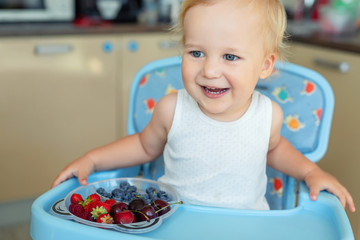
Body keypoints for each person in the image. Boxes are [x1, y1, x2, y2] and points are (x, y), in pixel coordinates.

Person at [52, 0, 355, 212]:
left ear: (265, 65)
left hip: (246, 228)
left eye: (230, 57)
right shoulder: (172, 109)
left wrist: (311, 173)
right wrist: (91, 160)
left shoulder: (268, 115)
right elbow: (144, 147)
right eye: (196, 53)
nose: (209, 71)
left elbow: (275, 150)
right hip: (176, 222)